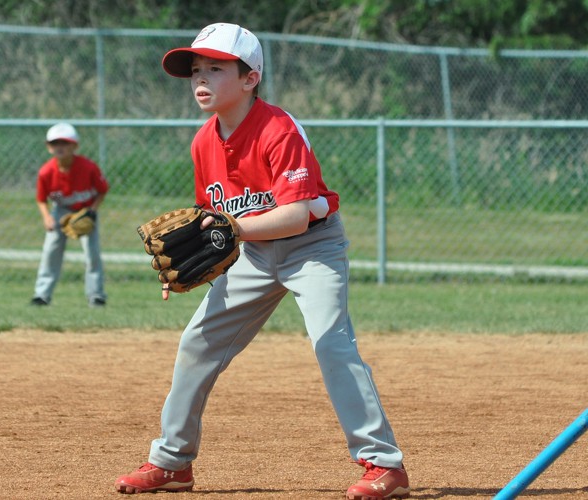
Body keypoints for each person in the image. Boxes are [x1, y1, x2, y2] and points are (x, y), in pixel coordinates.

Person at [114, 23, 410, 499]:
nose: (200, 79)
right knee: (197, 343)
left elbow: (294, 216)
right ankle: (172, 463)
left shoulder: (278, 129)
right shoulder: (203, 142)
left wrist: (231, 230)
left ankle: (384, 464)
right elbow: (210, 220)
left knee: (331, 343)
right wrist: (193, 262)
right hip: (250, 252)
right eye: (195, 70)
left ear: (250, 78)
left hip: (312, 248)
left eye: (215, 68)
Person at [30, 122, 110, 307]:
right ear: (49, 147)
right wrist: (47, 218)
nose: (60, 147)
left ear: (75, 146)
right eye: (55, 143)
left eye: (65, 143)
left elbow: (102, 190)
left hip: (85, 211)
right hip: (60, 212)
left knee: (92, 254)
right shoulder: (46, 172)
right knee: (50, 252)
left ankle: (96, 295)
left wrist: (92, 212)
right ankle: (42, 294)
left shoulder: (88, 167)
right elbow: (41, 199)